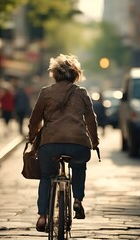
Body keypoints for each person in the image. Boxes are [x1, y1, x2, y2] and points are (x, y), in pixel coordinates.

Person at [28, 54, 99, 232]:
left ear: (55, 74)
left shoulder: (45, 92)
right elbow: (91, 120)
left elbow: (34, 120)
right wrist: (95, 142)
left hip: (50, 144)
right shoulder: (82, 93)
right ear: (75, 74)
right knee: (79, 167)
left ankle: (43, 216)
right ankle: (77, 200)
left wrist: (32, 138)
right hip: (78, 144)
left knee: (46, 176)